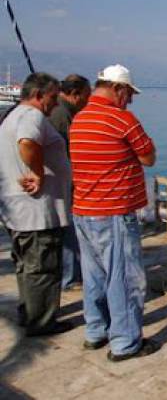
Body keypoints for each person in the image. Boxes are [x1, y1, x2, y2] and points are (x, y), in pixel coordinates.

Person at [70, 64, 159, 361]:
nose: (131, 100)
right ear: (118, 88)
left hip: (83, 210)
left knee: (94, 275)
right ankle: (125, 343)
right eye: (129, 93)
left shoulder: (79, 119)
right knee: (124, 279)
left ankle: (95, 331)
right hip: (113, 212)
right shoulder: (121, 120)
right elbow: (148, 157)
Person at [0, 72, 75, 336]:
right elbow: (27, 142)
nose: (56, 104)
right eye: (53, 97)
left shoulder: (11, 115)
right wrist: (40, 173)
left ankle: (30, 313)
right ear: (38, 95)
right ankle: (42, 322)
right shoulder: (31, 117)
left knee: (27, 266)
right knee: (42, 267)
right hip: (36, 211)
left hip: (18, 209)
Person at [48, 74, 91, 290]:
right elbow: (68, 153)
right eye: (86, 96)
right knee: (70, 232)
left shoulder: (61, 112)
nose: (88, 100)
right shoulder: (63, 115)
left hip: (62, 182)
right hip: (64, 185)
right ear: (75, 95)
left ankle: (72, 274)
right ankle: (71, 277)